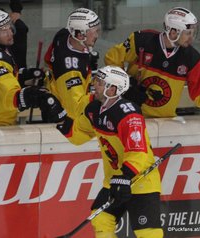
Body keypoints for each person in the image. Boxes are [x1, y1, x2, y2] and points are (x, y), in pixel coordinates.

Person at [55, 65, 163, 238]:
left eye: (99, 82)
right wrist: (60, 118)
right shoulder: (93, 109)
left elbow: (138, 152)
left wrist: (125, 176)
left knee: (148, 233)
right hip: (115, 180)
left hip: (140, 179)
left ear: (112, 89)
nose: (94, 84)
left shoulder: (128, 113)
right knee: (101, 218)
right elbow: (79, 136)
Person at [104, 7, 200, 118]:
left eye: (193, 33)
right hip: (128, 115)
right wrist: (125, 85)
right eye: (188, 33)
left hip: (166, 121)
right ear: (173, 32)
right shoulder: (141, 41)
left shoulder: (192, 58)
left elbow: (199, 97)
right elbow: (112, 59)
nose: (191, 38)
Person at [0, 8, 60, 126]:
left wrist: (24, 74)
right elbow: (7, 89)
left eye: (9, 27)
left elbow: (5, 76)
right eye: (3, 30)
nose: (10, 33)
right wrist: (32, 96)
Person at [44, 7, 101, 120]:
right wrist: (101, 97)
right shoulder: (71, 72)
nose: (97, 35)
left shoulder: (64, 34)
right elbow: (76, 110)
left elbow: (47, 59)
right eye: (94, 31)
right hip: (65, 120)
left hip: (57, 92)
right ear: (80, 35)